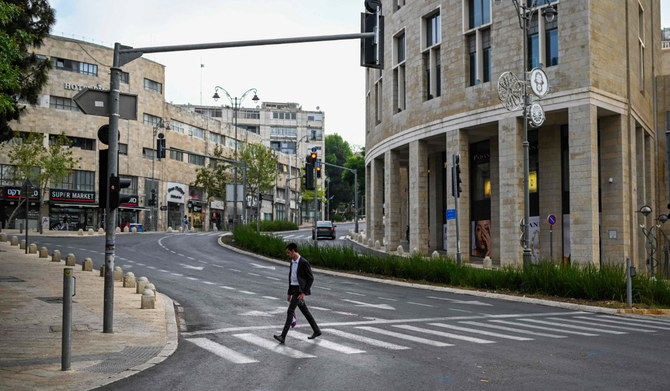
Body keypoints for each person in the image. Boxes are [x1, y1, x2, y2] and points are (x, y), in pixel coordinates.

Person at [274, 243, 321, 344]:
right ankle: (317, 331)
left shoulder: (304, 262)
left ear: (293, 251)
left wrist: (304, 292)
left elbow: (310, 278)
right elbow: (291, 278)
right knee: (305, 311)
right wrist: (289, 293)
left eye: (288, 252)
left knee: (290, 311)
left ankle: (283, 336)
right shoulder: (292, 262)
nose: (287, 254)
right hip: (294, 289)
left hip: (299, 291)